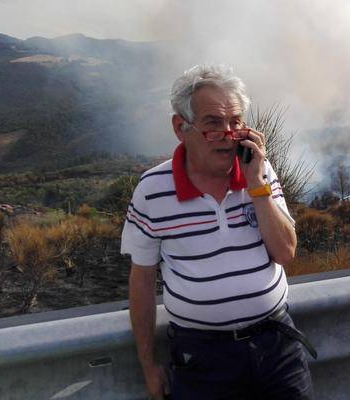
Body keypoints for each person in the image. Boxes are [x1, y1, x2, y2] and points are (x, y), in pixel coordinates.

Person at [121, 64, 314, 400]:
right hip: (203, 359)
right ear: (181, 128)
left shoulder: (260, 170)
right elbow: (141, 281)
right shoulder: (152, 190)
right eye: (213, 124)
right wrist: (148, 364)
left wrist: (256, 185)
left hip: (277, 347)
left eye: (236, 122)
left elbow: (285, 252)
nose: (228, 134)